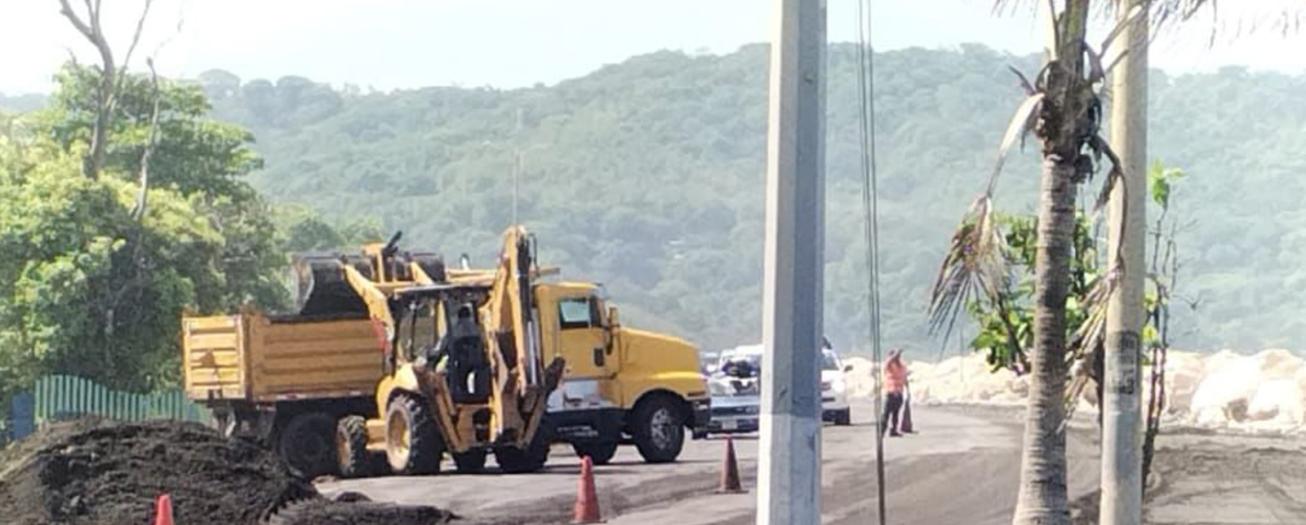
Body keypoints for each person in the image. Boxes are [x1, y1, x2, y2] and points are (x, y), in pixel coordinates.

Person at [881, 348, 908, 437]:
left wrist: (907, 388)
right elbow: (888, 361)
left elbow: (905, 377)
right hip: (891, 392)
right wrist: (895, 354)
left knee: (896, 414)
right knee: (886, 414)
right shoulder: (889, 365)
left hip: (899, 392)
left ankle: (893, 430)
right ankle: (882, 430)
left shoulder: (902, 366)